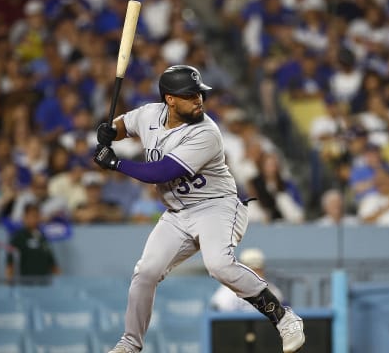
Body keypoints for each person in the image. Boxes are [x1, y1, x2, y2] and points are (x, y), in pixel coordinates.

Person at [93, 65, 305, 353]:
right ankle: (130, 344)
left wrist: (116, 163)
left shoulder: (206, 133)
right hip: (178, 214)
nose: (198, 100)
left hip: (216, 206)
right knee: (146, 272)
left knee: (218, 265)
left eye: (199, 94)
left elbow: (162, 172)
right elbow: (122, 125)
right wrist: (108, 131)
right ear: (169, 99)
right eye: (190, 95)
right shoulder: (148, 115)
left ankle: (283, 318)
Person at [210, 248, 285, 312]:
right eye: (250, 270)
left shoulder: (273, 291)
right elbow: (217, 315)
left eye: (258, 270)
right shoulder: (227, 292)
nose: (255, 274)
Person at [5, 202, 60, 285]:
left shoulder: (43, 237)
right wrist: (9, 282)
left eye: (38, 216)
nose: (36, 219)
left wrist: (61, 281)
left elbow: (52, 263)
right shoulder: (18, 238)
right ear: (25, 217)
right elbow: (10, 264)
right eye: (33, 216)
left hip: (45, 285)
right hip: (26, 284)